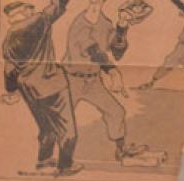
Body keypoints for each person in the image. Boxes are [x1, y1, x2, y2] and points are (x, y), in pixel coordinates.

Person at [1, 0, 81, 176]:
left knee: (46, 127)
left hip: (29, 89)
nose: (31, 11)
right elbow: (56, 7)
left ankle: (44, 161)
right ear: (17, 15)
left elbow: (9, 69)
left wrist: (11, 90)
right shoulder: (33, 23)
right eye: (26, 9)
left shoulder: (8, 39)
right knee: (68, 130)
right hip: (52, 85)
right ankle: (66, 166)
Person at [63, 0, 149, 162]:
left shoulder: (105, 23)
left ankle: (121, 150)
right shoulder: (79, 23)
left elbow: (116, 50)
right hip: (70, 80)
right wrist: (112, 71)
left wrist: (122, 25)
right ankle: (48, 158)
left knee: (116, 112)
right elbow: (92, 49)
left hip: (93, 81)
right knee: (62, 119)